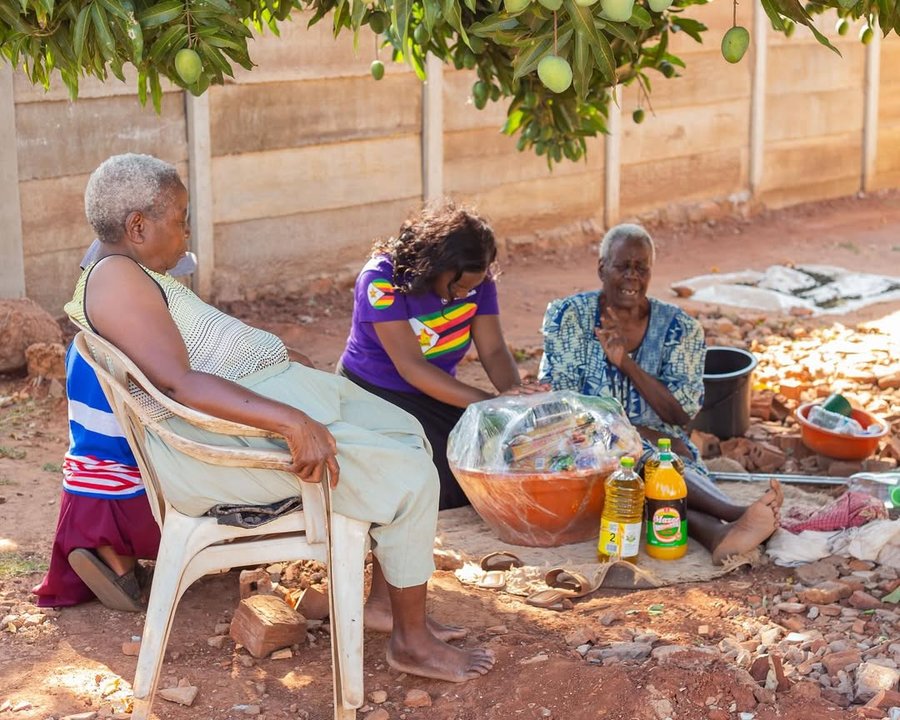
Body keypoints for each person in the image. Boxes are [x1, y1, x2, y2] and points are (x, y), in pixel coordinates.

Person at [63, 152, 493, 683]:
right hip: (221, 447)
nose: (187, 231)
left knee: (407, 432)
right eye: (180, 218)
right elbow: (180, 382)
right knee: (409, 478)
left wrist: (279, 366)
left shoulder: (129, 270)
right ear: (137, 226)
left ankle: (385, 605)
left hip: (254, 412)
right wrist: (290, 420)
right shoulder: (116, 280)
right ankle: (411, 644)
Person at [538, 223, 784, 565]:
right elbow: (562, 403)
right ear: (601, 268)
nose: (631, 277)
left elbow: (680, 415)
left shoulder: (680, 329)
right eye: (622, 266)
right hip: (584, 445)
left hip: (662, 442)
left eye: (641, 268)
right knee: (635, 453)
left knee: (661, 461)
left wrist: (627, 363)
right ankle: (733, 512)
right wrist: (629, 432)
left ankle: (720, 535)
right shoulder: (571, 318)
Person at [338, 202, 545, 510]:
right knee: (440, 478)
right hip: (376, 392)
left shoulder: (478, 281)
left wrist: (512, 402)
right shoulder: (382, 281)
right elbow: (411, 367)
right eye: (457, 286)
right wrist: (489, 404)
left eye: (472, 286)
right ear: (433, 265)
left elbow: (493, 349)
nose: (464, 293)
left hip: (437, 391)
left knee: (490, 453)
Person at [31, 242, 197, 612]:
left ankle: (113, 556)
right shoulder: (146, 345)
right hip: (139, 506)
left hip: (82, 494)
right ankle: (120, 551)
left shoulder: (82, 344)